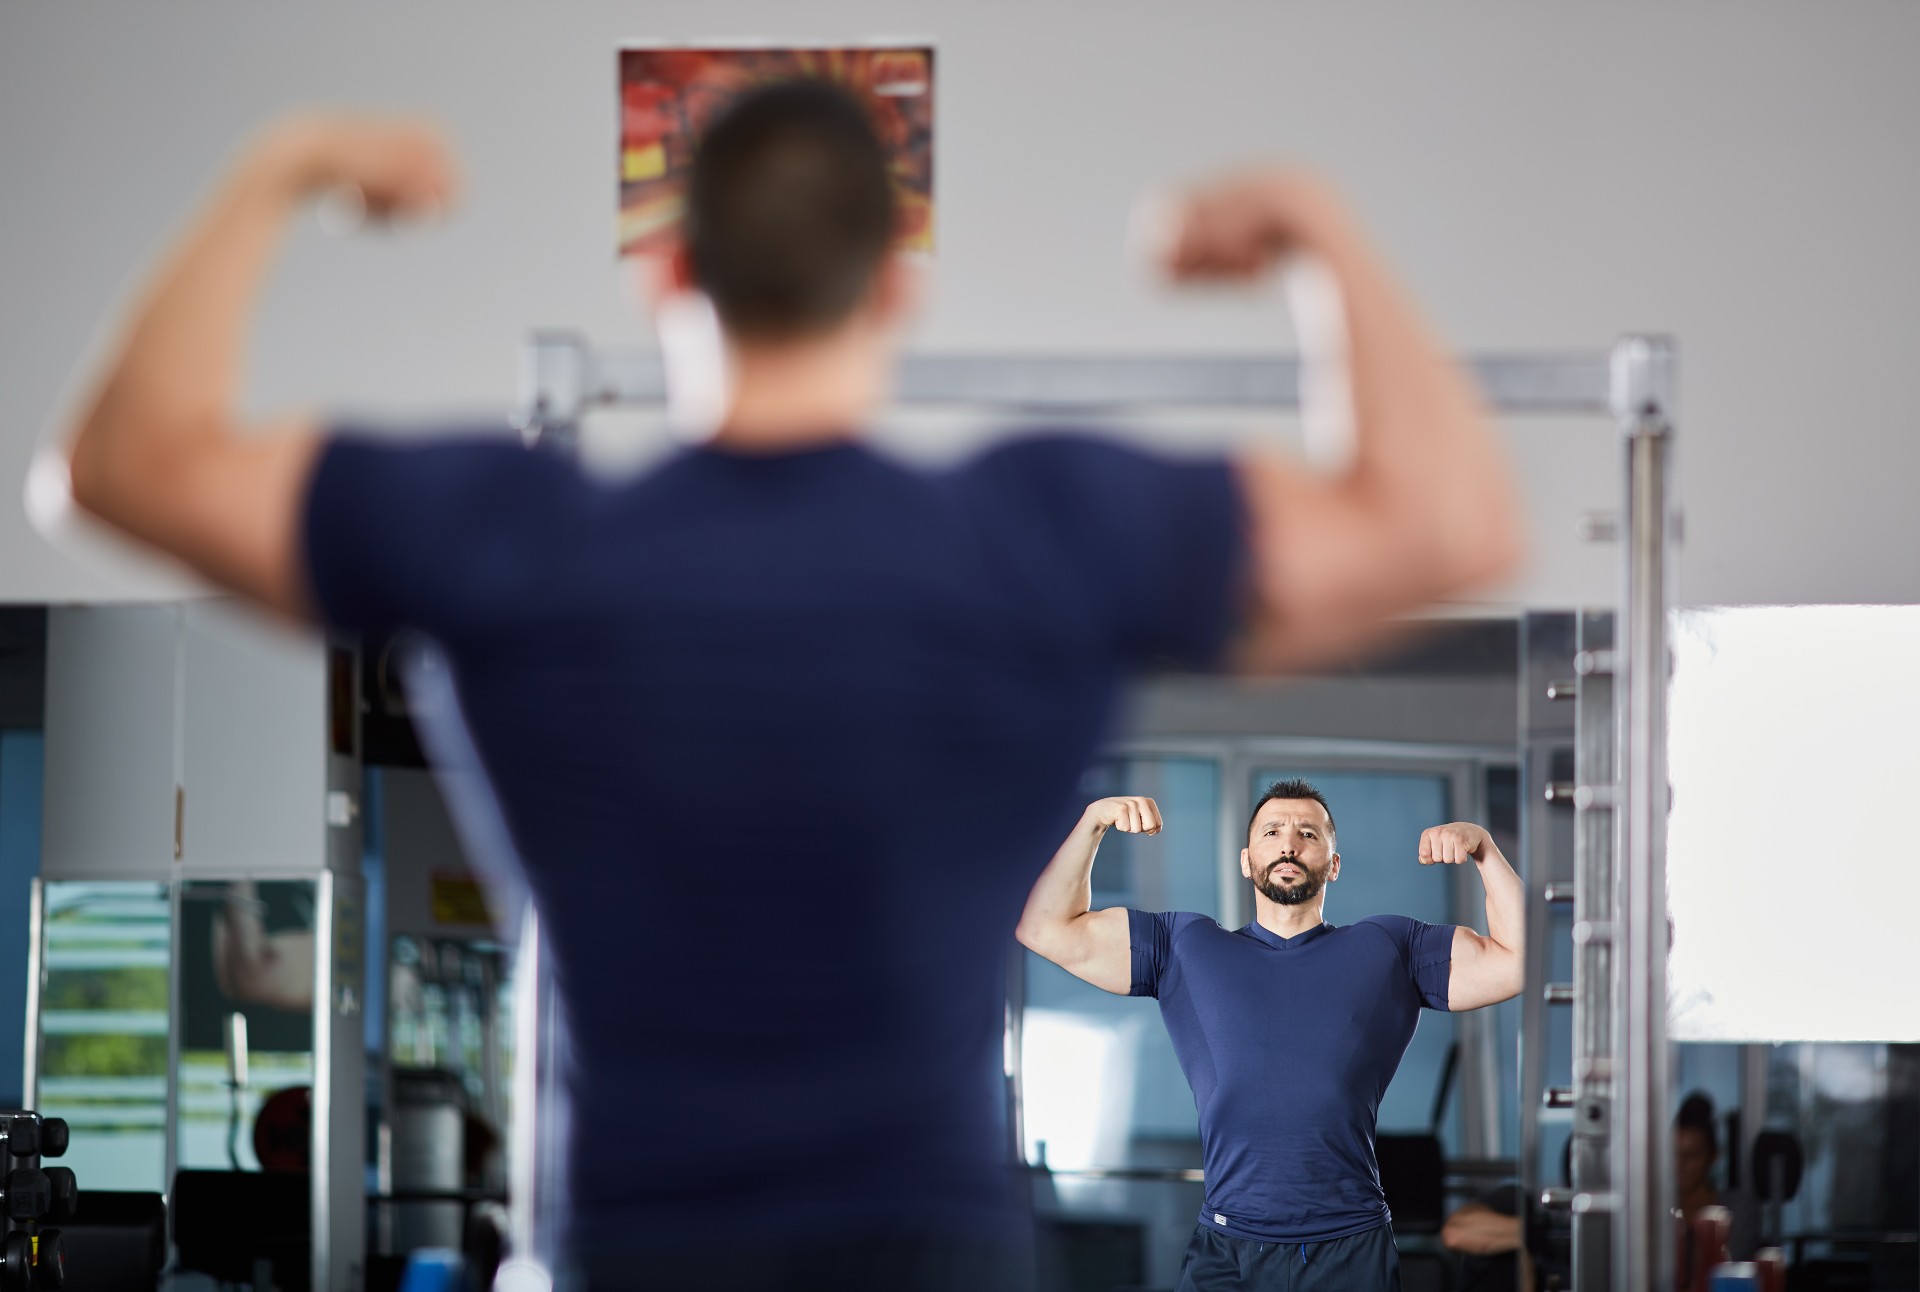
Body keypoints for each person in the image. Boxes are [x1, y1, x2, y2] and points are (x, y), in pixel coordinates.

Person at [57, 78, 1520, 1289]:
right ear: (897, 284)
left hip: (629, 1254)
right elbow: (1448, 518)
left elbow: (117, 467)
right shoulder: (1039, 535)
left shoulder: (515, 536)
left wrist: (281, 166)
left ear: (665, 272)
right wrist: (1309, 229)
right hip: (924, 1254)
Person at [1017, 784, 1525, 1290]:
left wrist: (1484, 849)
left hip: (1349, 1246)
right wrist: (1093, 822)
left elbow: (1518, 960)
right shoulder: (1183, 944)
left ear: (1334, 863)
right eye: (1272, 831)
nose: (1289, 844)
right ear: (1246, 859)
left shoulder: (1389, 946)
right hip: (1225, 1247)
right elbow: (1044, 927)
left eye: (1308, 833)